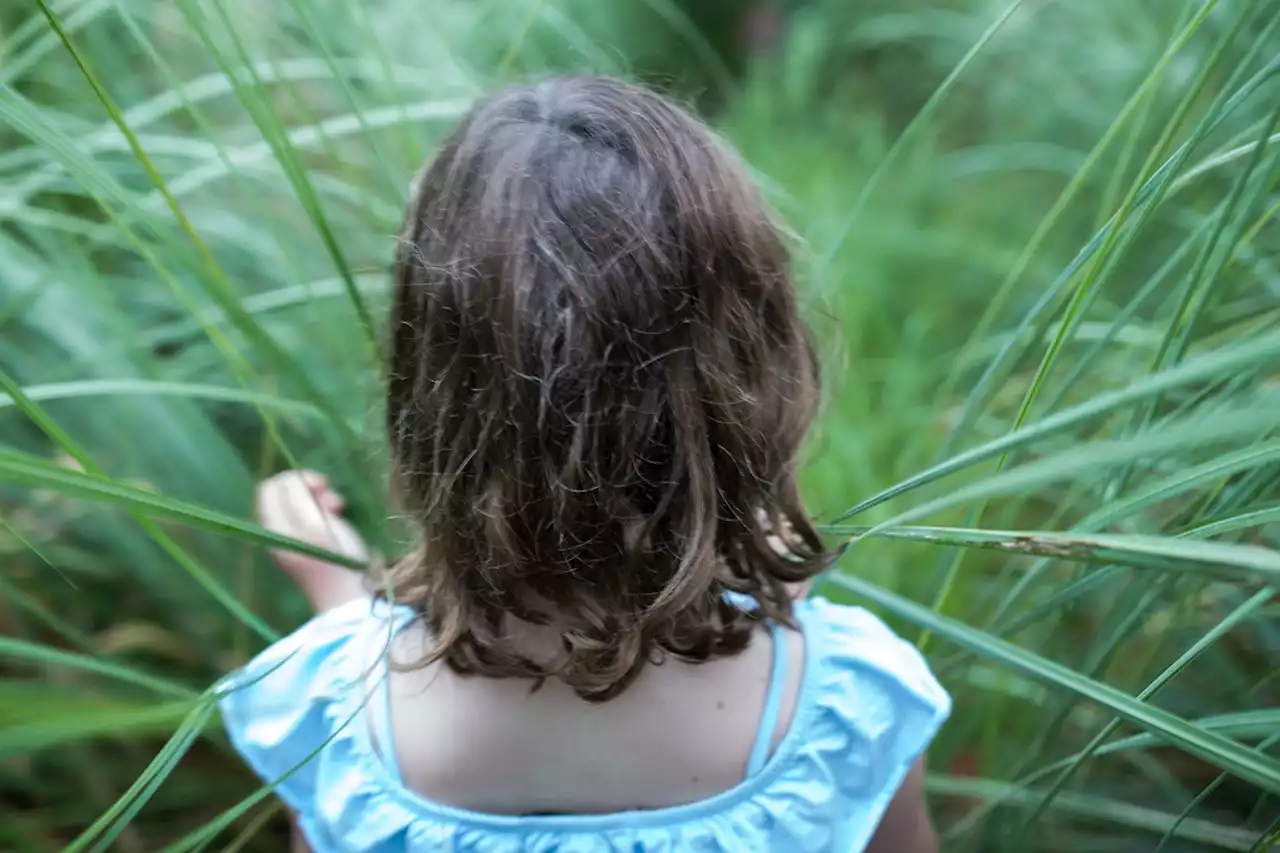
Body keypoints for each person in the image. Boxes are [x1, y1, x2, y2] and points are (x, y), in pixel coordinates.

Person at [219, 76, 950, 852]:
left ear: (430, 395)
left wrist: (340, 595)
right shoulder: (842, 704)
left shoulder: (336, 714)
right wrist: (750, 562)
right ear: (751, 379)